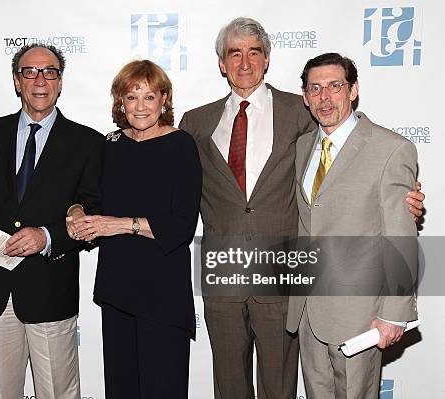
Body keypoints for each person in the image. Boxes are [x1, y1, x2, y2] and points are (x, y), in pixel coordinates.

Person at [178, 17, 425, 399]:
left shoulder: (301, 111)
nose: (245, 63)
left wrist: (406, 196)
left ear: (268, 59)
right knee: (228, 386)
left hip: (287, 280)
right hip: (224, 274)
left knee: (282, 388)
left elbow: (356, 158)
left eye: (254, 53)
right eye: (235, 54)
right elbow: (173, 188)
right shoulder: (196, 121)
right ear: (221, 63)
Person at [286, 52, 418, 399]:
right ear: (305, 97)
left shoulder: (390, 149)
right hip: (309, 311)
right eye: (315, 89)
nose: (324, 98)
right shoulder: (303, 147)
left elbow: (400, 236)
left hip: (361, 314)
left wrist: (394, 313)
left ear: (353, 90)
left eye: (335, 86)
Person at [68, 60, 202, 399]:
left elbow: (182, 224)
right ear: (120, 102)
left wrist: (119, 224)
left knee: (163, 388)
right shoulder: (111, 144)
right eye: (131, 97)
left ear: (164, 100)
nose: (140, 106)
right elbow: (92, 198)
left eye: (149, 96)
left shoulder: (181, 145)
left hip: (162, 291)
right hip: (118, 288)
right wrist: (78, 213)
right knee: (121, 388)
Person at [0, 43, 104, 399]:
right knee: (3, 392)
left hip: (50, 290)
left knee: (58, 392)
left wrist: (47, 236)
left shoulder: (88, 142)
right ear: (17, 82)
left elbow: (91, 214)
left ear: (60, 82)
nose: (40, 80)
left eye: (49, 71)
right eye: (29, 71)